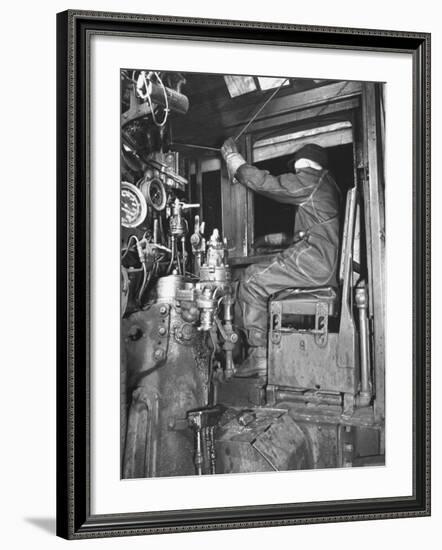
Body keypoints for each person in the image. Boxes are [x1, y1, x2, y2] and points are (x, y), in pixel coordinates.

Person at [221, 138, 341, 377]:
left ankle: (260, 356)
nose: (295, 169)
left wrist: (234, 161)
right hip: (321, 261)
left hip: (315, 261)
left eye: (297, 165)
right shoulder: (326, 186)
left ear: (306, 163)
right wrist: (267, 241)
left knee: (251, 280)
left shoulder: (312, 181)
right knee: (259, 277)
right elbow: (302, 233)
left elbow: (268, 184)